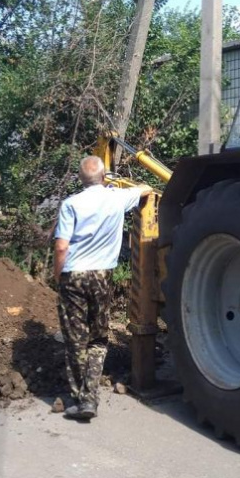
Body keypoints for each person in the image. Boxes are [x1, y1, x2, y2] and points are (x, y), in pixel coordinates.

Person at [53, 156, 152, 421]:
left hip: (73, 276)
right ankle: (90, 398)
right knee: (98, 338)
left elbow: (62, 246)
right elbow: (145, 190)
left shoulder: (70, 204)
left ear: (80, 178)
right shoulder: (117, 198)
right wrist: (134, 185)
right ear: (104, 177)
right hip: (102, 276)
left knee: (75, 340)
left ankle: (80, 397)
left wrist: (57, 275)